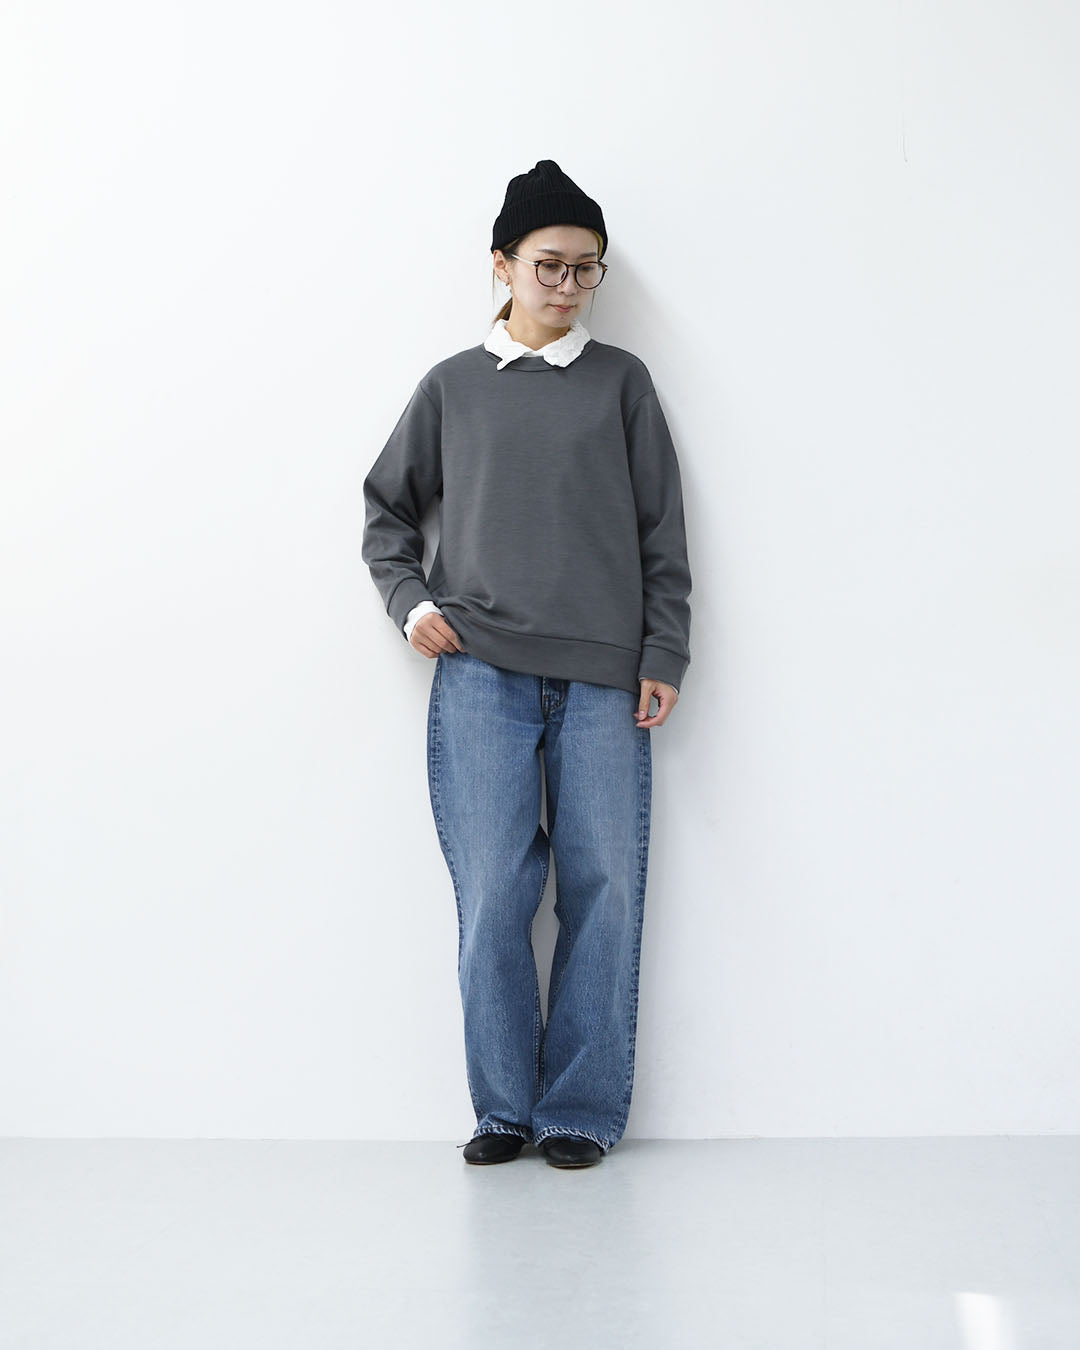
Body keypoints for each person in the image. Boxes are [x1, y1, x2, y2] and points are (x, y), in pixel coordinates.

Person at [362, 159, 692, 1169]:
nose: (567, 284)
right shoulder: (452, 387)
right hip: (480, 673)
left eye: (586, 268)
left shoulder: (622, 383)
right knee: (495, 893)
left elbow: (661, 532)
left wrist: (665, 648)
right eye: (550, 264)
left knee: (605, 887)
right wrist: (411, 603)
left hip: (604, 678)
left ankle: (579, 1110)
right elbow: (386, 512)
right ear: (502, 264)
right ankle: (502, 1107)